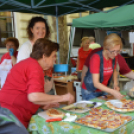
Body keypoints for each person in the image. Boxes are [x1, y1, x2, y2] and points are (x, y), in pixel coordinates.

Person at [0, 38, 74, 134]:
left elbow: (24, 91)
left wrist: (43, 104)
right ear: (44, 57)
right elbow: (34, 96)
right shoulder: (35, 67)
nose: (54, 59)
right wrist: (63, 97)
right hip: (11, 115)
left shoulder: (27, 63)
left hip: (6, 111)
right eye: (53, 56)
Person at [17, 16, 54, 94]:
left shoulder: (47, 45)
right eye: (37, 28)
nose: (41, 31)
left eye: (43, 28)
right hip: (34, 90)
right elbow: (21, 71)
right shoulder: (26, 47)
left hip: (48, 87)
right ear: (31, 30)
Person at [81, 33, 124, 100]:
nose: (115, 54)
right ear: (106, 49)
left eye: (118, 51)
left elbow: (114, 70)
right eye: (113, 51)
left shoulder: (113, 57)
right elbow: (96, 83)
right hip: (90, 91)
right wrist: (112, 91)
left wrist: (115, 84)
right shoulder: (96, 58)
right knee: (95, 110)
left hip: (103, 90)